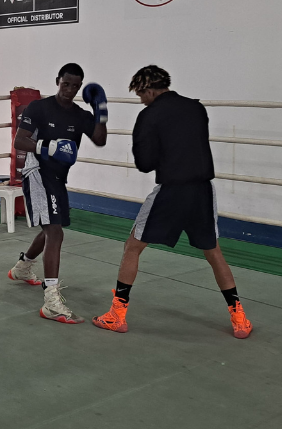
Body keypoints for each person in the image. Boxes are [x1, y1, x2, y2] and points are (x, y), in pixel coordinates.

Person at [91, 66, 253, 339]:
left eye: (141, 95)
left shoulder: (149, 115)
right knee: (214, 252)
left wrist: (146, 140)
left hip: (171, 191)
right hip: (202, 190)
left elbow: (144, 164)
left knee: (132, 246)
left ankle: (116, 315)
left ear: (149, 90)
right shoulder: (196, 109)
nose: (141, 100)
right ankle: (239, 317)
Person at [8, 63, 108, 324]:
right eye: (66, 84)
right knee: (55, 230)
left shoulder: (79, 114)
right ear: (58, 81)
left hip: (58, 177)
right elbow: (20, 141)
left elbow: (100, 138)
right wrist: (47, 147)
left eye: (75, 86)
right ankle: (51, 300)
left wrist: (101, 111)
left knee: (50, 226)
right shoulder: (39, 107)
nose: (70, 90)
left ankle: (23, 267)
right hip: (38, 171)